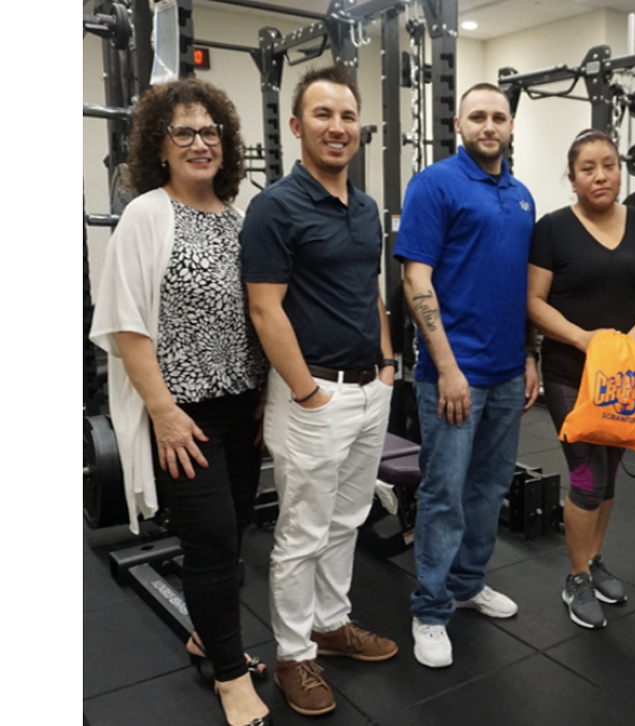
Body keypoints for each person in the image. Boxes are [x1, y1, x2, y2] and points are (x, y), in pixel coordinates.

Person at [89, 79, 271, 726]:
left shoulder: (237, 214)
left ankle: (206, 636)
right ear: (159, 147)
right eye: (184, 133)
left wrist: (263, 394)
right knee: (213, 540)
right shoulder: (147, 214)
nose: (201, 143)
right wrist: (163, 411)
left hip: (241, 404)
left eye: (211, 131)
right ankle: (229, 676)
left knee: (238, 528)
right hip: (184, 415)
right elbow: (127, 324)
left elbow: (256, 312)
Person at [240, 65, 398, 717]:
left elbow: (372, 291)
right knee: (302, 532)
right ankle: (294, 654)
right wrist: (306, 392)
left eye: (347, 116)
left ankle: (333, 625)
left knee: (348, 521)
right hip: (316, 399)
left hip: (371, 390)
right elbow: (265, 309)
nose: (338, 127)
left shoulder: (364, 209)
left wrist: (388, 363)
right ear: (298, 126)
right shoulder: (275, 207)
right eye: (324, 115)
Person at [394, 83, 539, 667]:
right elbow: (415, 282)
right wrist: (448, 368)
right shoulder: (435, 184)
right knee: (443, 493)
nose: (489, 126)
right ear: (459, 124)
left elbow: (521, 287)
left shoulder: (523, 195)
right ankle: (429, 609)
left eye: (498, 117)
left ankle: (466, 583)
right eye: (478, 116)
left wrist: (528, 355)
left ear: (510, 126)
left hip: (507, 373)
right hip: (453, 375)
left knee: (488, 489)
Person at [527, 129, 635, 629]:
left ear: (620, 170)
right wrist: (586, 340)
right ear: (572, 179)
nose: (600, 175)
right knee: (587, 476)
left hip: (625, 375)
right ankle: (575, 576)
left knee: (609, 475)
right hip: (572, 370)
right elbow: (534, 301)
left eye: (608, 165)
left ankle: (593, 559)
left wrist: (628, 346)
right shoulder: (552, 229)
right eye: (587, 168)